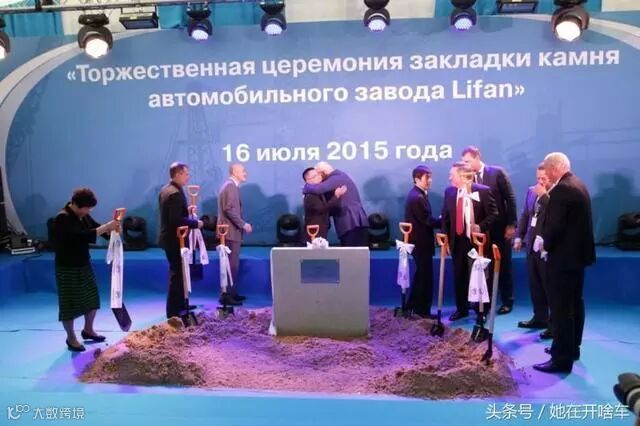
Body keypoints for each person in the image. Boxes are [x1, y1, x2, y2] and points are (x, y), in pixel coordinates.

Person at [533, 152, 595, 374]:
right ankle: (572, 349)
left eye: (549, 168)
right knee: (575, 304)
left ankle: (561, 359)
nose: (547, 173)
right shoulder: (578, 184)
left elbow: (555, 225)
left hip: (563, 260)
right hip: (577, 258)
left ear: (557, 167)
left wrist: (545, 245)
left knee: (561, 309)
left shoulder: (562, 189)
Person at [52, 188, 120, 352]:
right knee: (69, 304)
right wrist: (106, 227)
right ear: (76, 204)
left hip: (83, 263)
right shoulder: (63, 217)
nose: (88, 211)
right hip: (67, 266)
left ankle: (88, 329)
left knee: (92, 298)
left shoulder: (83, 215)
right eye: (87, 208)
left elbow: (96, 228)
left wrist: (113, 231)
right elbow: (80, 236)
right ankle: (71, 338)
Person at [462, 146, 518, 315]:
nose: (466, 165)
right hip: (480, 231)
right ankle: (484, 302)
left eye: (468, 161)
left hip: (499, 228)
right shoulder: (467, 178)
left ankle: (507, 300)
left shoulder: (497, 173)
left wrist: (511, 224)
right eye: (464, 162)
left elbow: (510, 198)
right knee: (483, 266)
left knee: (504, 265)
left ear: (477, 157)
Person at [441, 162, 498, 321]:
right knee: (459, 276)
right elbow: (445, 217)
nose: (450, 178)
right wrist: (445, 239)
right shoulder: (449, 192)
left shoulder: (483, 191)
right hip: (457, 241)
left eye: (452, 175)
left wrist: (481, 226)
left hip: (477, 242)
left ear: (462, 176)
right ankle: (462, 309)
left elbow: (494, 214)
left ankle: (482, 311)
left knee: (480, 276)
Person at [158, 162, 203, 319]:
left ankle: (181, 304)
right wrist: (195, 223)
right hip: (175, 240)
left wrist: (186, 211)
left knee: (180, 273)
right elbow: (176, 220)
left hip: (171, 239)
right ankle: (173, 311)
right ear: (177, 174)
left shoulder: (166, 190)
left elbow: (173, 213)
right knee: (177, 275)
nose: (188, 177)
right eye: (186, 174)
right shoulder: (175, 193)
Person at [514, 163, 551, 333]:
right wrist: (519, 237)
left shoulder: (555, 194)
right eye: (538, 178)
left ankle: (553, 324)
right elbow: (525, 215)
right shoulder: (531, 191)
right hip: (531, 245)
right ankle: (539, 317)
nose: (541, 182)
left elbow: (554, 214)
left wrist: (544, 195)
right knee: (535, 285)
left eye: (544, 178)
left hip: (546, 248)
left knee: (548, 286)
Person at [404, 165, 441, 318]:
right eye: (427, 177)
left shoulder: (417, 194)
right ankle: (422, 311)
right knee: (424, 278)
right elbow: (427, 221)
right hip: (421, 244)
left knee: (421, 276)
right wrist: (445, 220)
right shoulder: (417, 197)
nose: (430, 180)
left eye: (430, 177)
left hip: (420, 243)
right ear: (417, 179)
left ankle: (411, 307)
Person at [302, 161, 368, 246]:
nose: (320, 177)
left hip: (351, 221)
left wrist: (306, 187)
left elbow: (319, 189)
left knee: (352, 251)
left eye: (318, 174)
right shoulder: (340, 176)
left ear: (323, 173)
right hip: (351, 221)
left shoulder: (336, 178)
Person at [217, 163, 252, 305]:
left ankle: (231, 292)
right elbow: (229, 209)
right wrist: (243, 224)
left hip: (231, 232)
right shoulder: (230, 186)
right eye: (243, 171)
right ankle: (226, 295)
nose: (245, 173)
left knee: (232, 265)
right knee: (230, 265)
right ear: (234, 172)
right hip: (229, 232)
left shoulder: (231, 186)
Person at [302, 167, 346, 241]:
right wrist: (336, 196)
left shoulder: (318, 192)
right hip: (313, 231)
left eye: (319, 174)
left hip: (321, 228)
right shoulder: (310, 195)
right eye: (316, 175)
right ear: (308, 180)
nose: (320, 176)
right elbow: (321, 208)